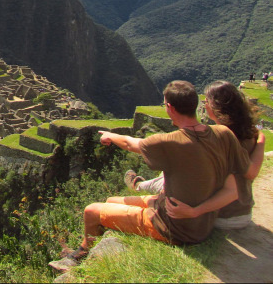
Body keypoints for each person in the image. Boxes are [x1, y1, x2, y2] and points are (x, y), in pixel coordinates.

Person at [48, 80, 251, 272]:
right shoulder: (224, 134)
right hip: (197, 219)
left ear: (170, 107)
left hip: (175, 226)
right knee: (112, 200)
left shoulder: (171, 141)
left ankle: (79, 256)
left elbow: (131, 144)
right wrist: (199, 212)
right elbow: (234, 190)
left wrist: (193, 211)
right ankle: (97, 243)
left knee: (91, 211)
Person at [125, 80, 265, 229]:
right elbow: (250, 172)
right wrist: (261, 141)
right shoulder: (249, 134)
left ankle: (139, 186)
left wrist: (195, 211)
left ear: (217, 107)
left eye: (207, 101)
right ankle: (140, 185)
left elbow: (238, 185)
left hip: (220, 216)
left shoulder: (222, 138)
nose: (204, 105)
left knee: (174, 174)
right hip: (244, 213)